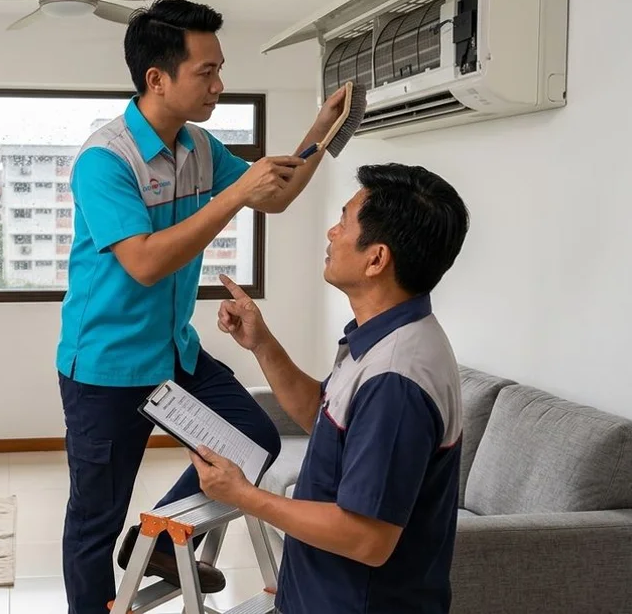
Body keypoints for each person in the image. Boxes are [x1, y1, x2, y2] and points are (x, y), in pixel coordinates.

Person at [56, 0, 349, 613]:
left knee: (253, 439)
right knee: (93, 518)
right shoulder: (105, 159)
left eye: (221, 69)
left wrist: (320, 130)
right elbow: (144, 262)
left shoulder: (199, 146)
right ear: (157, 78)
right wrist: (235, 193)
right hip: (105, 367)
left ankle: (156, 536)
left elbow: (274, 198)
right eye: (206, 71)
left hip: (173, 353)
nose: (220, 84)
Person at [192, 163, 470, 614]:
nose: (331, 232)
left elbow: (367, 538)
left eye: (343, 221)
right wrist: (262, 344)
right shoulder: (382, 338)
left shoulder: (395, 381)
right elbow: (324, 420)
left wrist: (244, 495)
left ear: (376, 258)